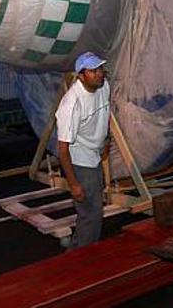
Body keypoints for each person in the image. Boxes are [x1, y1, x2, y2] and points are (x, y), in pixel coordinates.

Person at [56, 51, 111, 249]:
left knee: (94, 212)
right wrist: (74, 184)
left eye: (100, 69)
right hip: (79, 162)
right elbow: (62, 150)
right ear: (80, 75)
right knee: (91, 215)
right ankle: (79, 258)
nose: (99, 74)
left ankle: (86, 253)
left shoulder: (103, 87)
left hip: (94, 157)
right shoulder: (72, 104)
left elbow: (106, 114)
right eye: (93, 70)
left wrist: (107, 139)